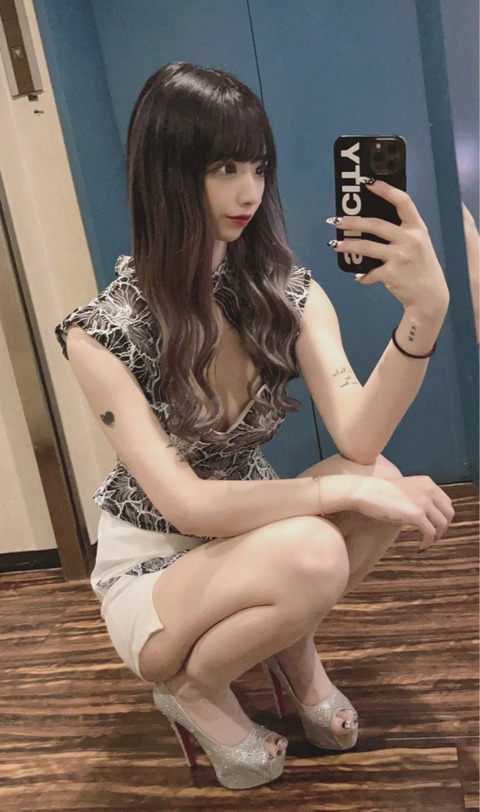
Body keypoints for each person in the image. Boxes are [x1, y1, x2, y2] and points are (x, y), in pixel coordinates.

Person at [55, 62, 454, 790]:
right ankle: (194, 688)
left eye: (259, 167)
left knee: (376, 476)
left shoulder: (282, 292)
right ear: (167, 175)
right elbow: (188, 506)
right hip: (157, 569)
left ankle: (288, 647)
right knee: (319, 541)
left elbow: (359, 438)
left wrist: (424, 315)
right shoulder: (103, 331)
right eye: (224, 168)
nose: (250, 192)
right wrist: (339, 495)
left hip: (252, 538)